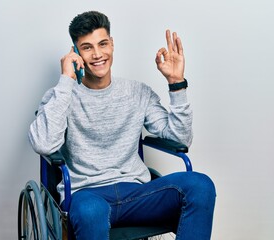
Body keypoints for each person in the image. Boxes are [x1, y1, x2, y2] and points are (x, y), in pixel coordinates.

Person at [29, 11, 216, 240]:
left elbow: (180, 139)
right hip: (88, 195)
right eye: (87, 47)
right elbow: (43, 144)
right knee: (90, 211)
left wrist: (176, 83)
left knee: (201, 185)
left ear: (112, 44)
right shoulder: (61, 96)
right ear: (75, 52)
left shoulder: (137, 92)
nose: (97, 54)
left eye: (103, 44)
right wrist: (66, 80)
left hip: (138, 193)